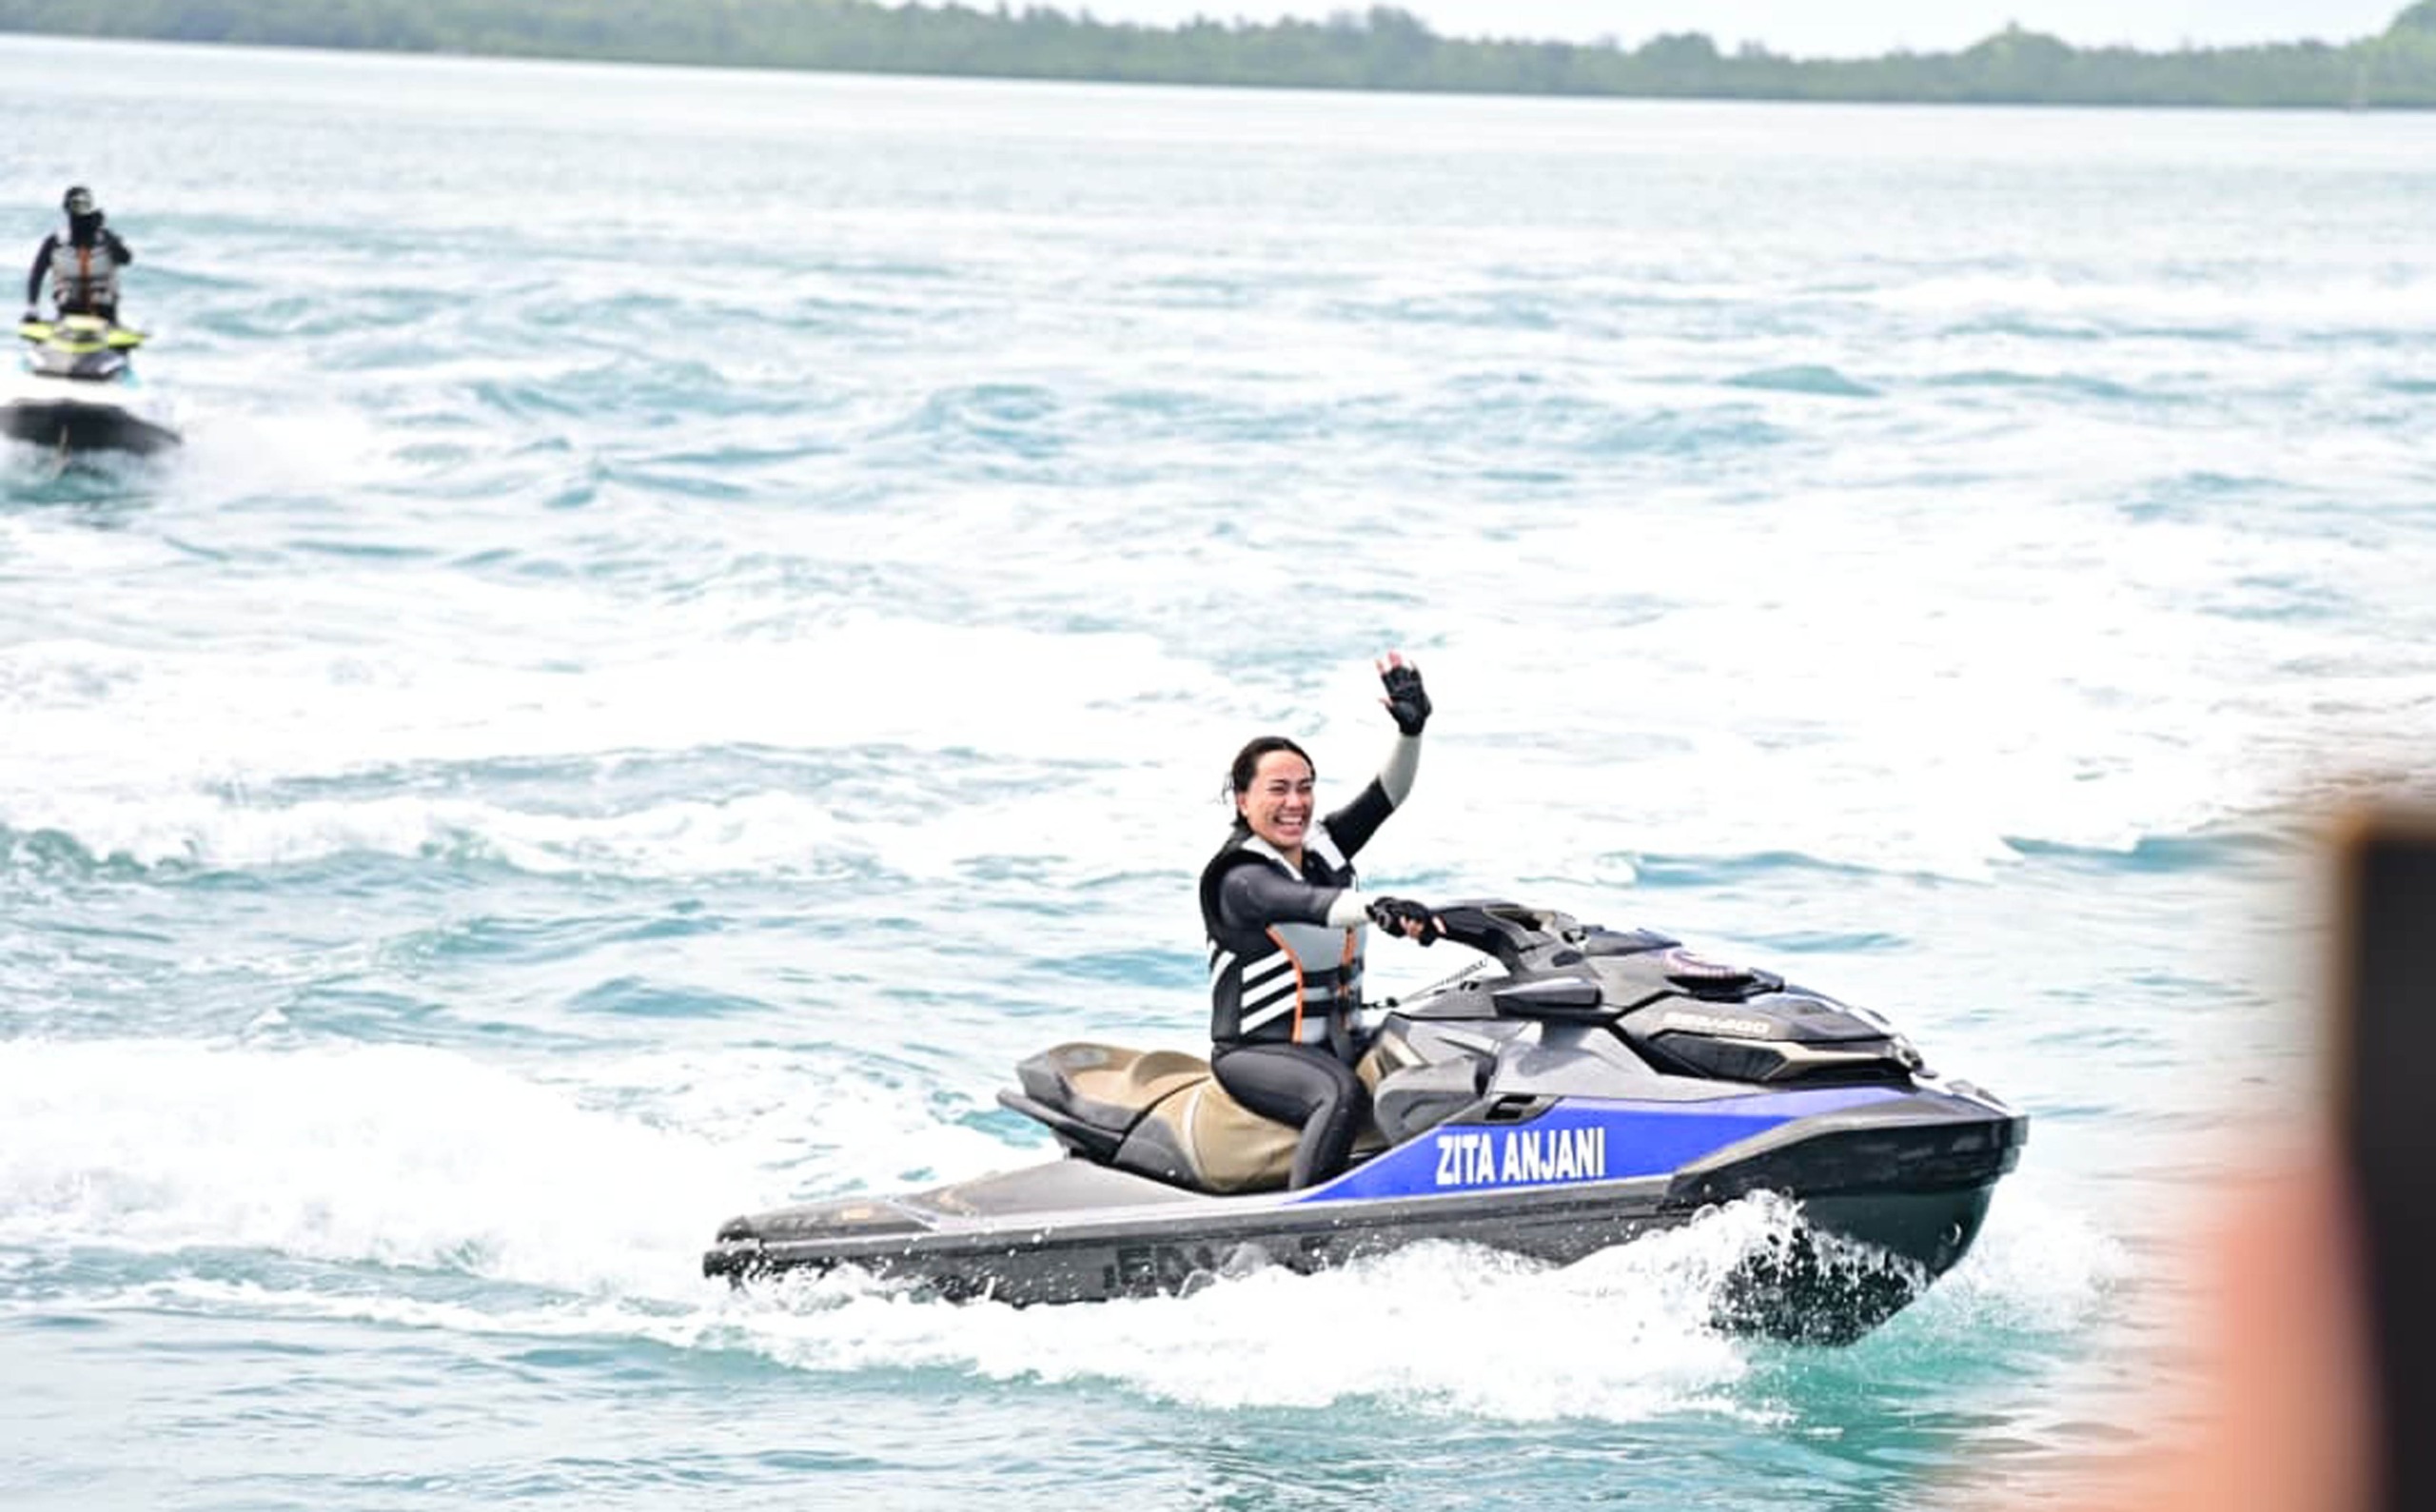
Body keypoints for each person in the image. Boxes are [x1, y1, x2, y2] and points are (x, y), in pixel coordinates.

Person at [1200, 651, 1444, 1189]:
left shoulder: (1322, 848)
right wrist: (1378, 908)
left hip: (1338, 1041)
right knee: (1340, 1095)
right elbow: (1309, 904)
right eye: (1278, 789)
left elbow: (1387, 796)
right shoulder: (1239, 876)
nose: (1295, 803)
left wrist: (1411, 731)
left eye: (1305, 787)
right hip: (1258, 1055)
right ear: (1242, 801)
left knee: (1434, 1039)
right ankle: (1305, 1226)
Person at [25, 186, 133, 326]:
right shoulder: (55, 242)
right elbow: (37, 275)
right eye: (76, 204)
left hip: (105, 314)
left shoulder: (105, 238)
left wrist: (105, 235)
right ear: (67, 207)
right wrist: (32, 308)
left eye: (85, 204)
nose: (81, 210)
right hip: (68, 313)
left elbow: (126, 259)